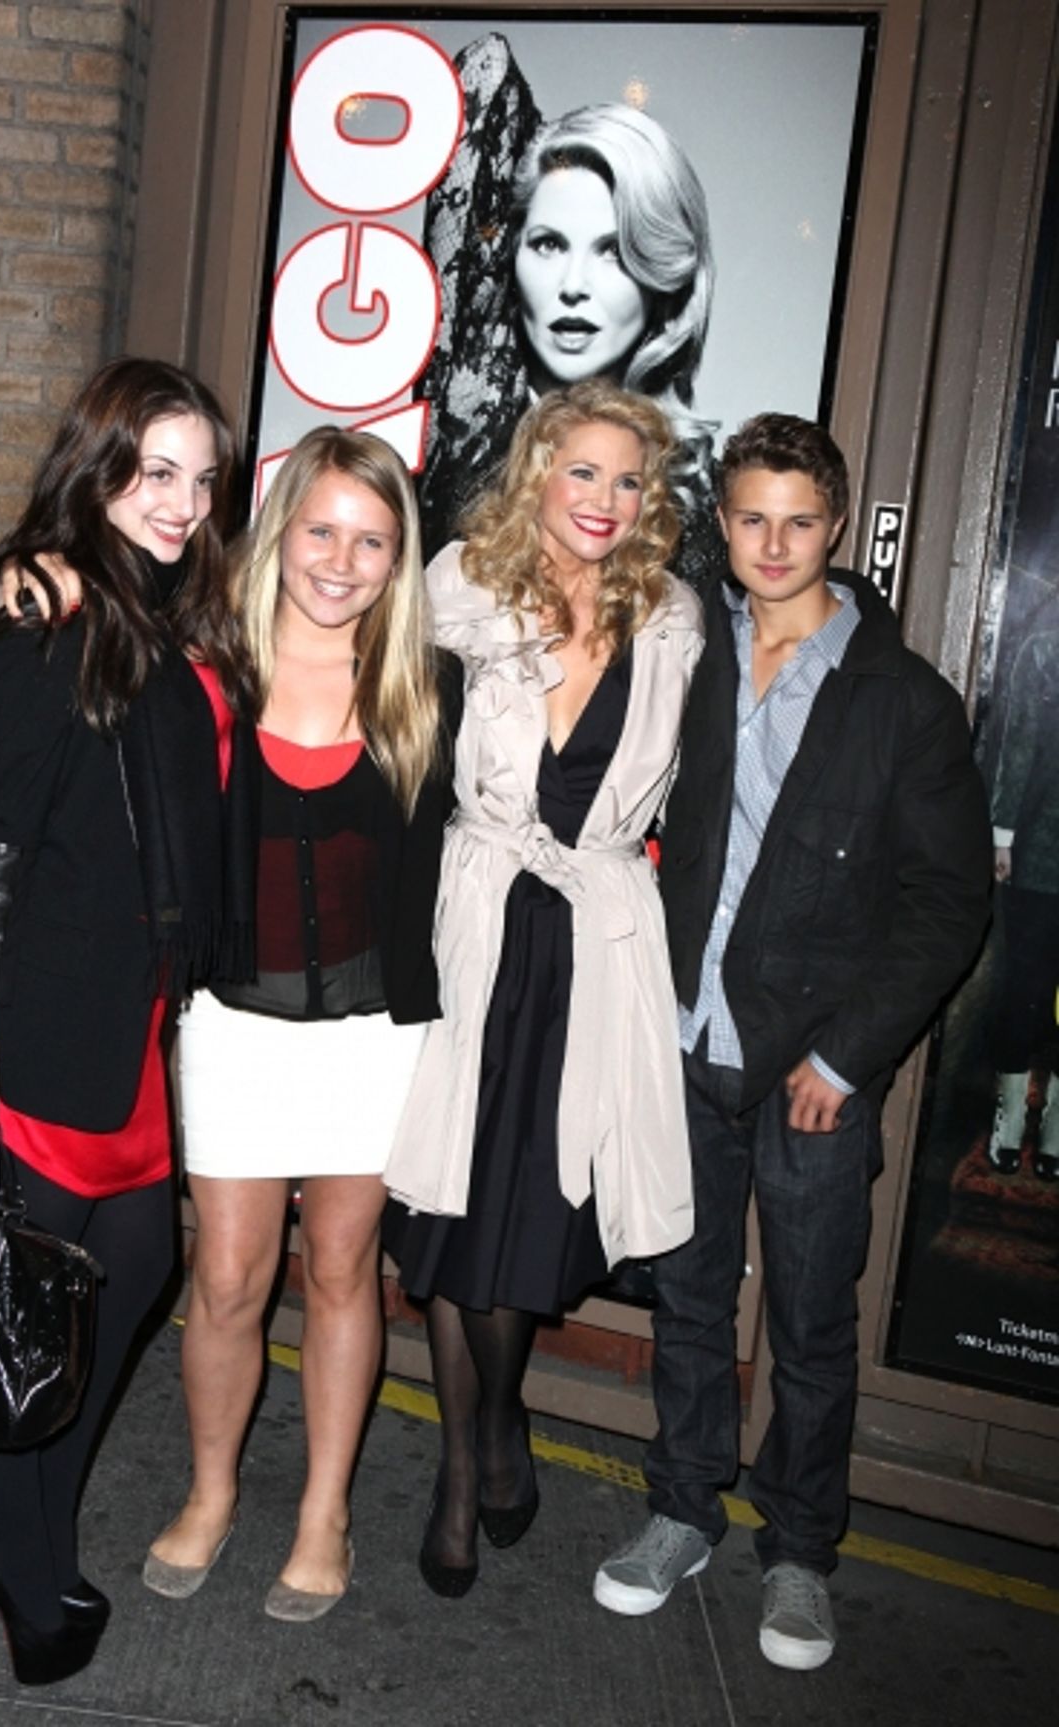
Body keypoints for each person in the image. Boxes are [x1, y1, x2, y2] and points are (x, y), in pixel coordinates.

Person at [593, 414, 990, 1668]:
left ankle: (803, 1552)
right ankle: (680, 1510)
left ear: (839, 525)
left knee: (813, 1323)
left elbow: (949, 902)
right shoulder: (685, 647)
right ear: (724, 521)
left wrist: (850, 1054)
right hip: (685, 1037)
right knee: (692, 1298)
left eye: (800, 521)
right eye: (751, 517)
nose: (774, 544)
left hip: (814, 1061)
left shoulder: (902, 698)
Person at [0, 356, 253, 1686]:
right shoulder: (50, 602)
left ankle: (25, 1541)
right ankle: (31, 1579)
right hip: (44, 1011)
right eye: (155, 470)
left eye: (203, 478)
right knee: (26, 1312)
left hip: (137, 1020)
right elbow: (5, 835)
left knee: (122, 1279)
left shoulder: (169, 612)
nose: (182, 501)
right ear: (97, 465)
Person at [383, 379, 703, 1597]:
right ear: (538, 473)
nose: (606, 500)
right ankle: (466, 1471)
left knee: (527, 1213)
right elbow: (383, 733)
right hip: (474, 926)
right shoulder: (459, 588)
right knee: (453, 1214)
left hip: (592, 946)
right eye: (584, 472)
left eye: (629, 480)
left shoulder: (675, 617)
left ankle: (500, 1419)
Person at [139, 428, 463, 1622]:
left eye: (371, 538)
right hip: (236, 1018)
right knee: (224, 1275)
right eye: (321, 528)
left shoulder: (429, 682)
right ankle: (213, 1490)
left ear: (399, 555)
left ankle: (323, 1510)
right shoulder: (206, 669)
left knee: (341, 1269)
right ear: (281, 533)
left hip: (374, 1034)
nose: (341, 558)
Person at [419, 34, 719, 595]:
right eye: (549, 244)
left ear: (660, 279)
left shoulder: (694, 505)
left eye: (612, 251)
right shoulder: (463, 432)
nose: (573, 286)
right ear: (509, 257)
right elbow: (487, 67)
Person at [986, 622, 1059, 1179]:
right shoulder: (1045, 649)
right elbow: (1021, 742)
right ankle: (1016, 1120)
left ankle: (1044, 1130)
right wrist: (1005, 833)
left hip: (1036, 847)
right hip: (1041, 850)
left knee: (1028, 990)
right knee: (1025, 990)